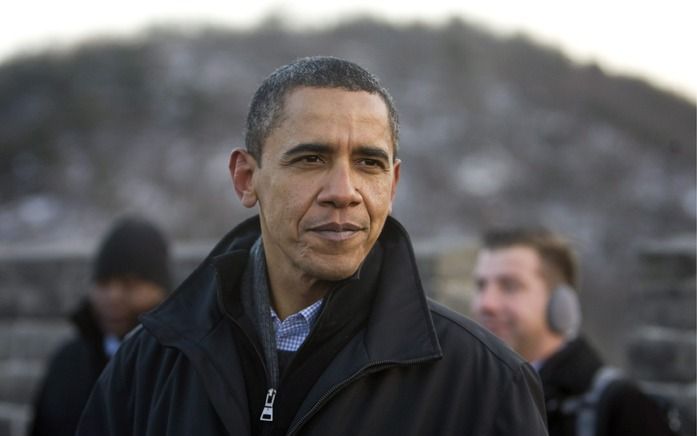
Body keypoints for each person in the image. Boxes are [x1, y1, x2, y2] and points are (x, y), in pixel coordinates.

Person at [76, 56, 548, 436]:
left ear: (394, 183)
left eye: (368, 163)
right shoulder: (151, 363)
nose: (344, 190)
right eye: (311, 158)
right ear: (246, 178)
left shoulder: (484, 384)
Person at [471, 227, 676, 436]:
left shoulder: (622, 407)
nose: (486, 304)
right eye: (481, 285)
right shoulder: (469, 394)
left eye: (510, 286)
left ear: (561, 303)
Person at [29, 217, 171, 436]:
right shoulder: (67, 364)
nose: (113, 297)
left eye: (129, 284)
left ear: (160, 290)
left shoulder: (180, 366)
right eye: (103, 283)